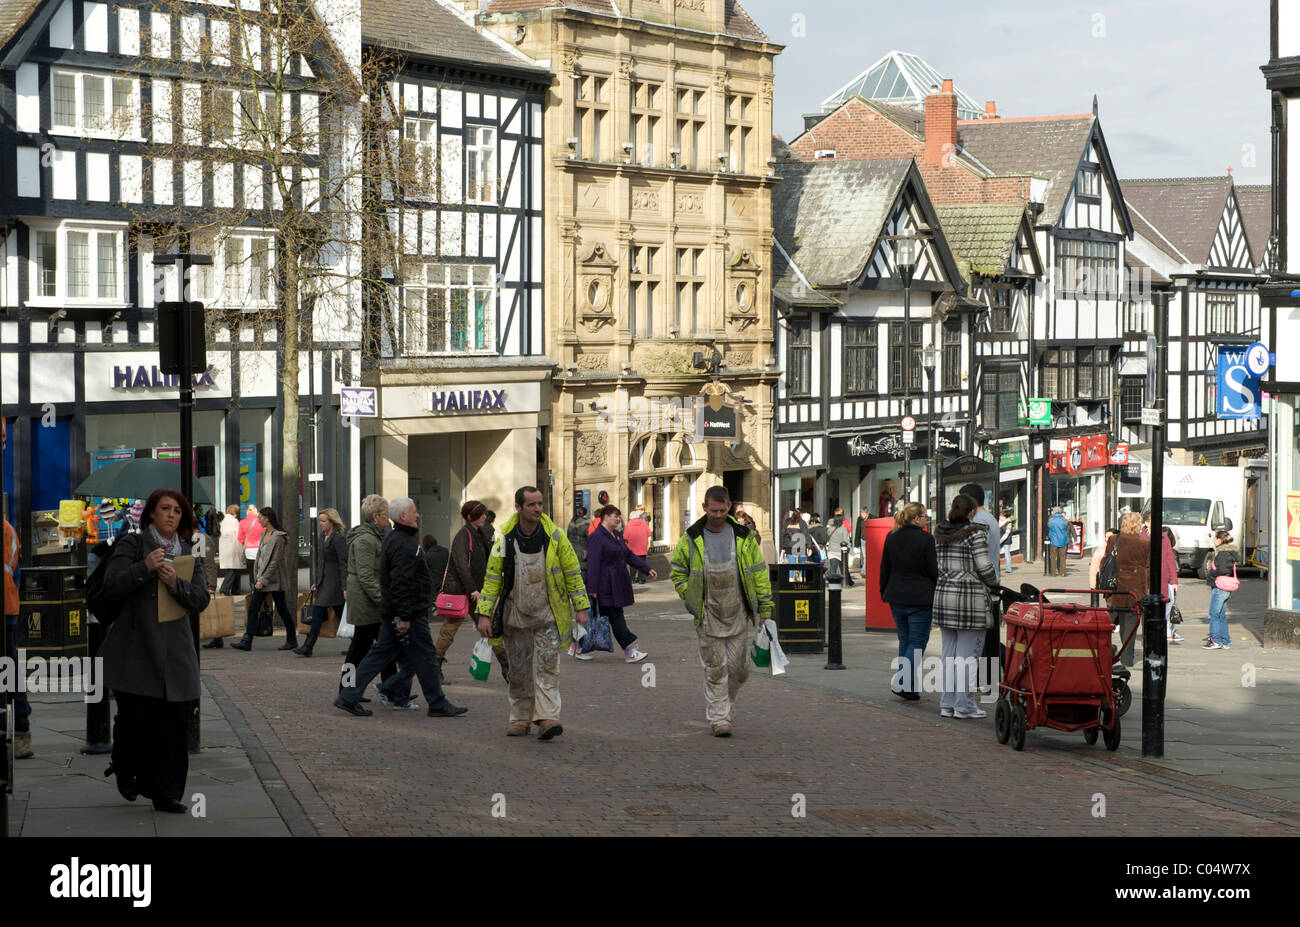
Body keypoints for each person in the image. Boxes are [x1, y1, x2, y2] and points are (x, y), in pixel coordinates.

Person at [99, 488, 210, 813]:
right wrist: (144, 567)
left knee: (173, 726)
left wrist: (177, 583)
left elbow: (201, 600)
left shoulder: (187, 553)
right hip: (136, 650)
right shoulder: (132, 545)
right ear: (151, 513)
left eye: (177, 510)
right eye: (165, 509)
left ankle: (167, 793)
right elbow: (112, 585)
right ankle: (125, 766)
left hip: (175, 653)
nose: (171, 515)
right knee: (137, 722)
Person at [335, 498, 467, 718]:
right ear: (377, 517)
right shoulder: (385, 541)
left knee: (379, 654)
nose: (418, 515)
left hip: (388, 608)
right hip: (380, 609)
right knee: (359, 654)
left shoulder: (391, 538)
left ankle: (360, 692)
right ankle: (355, 691)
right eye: (414, 511)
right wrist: (402, 614)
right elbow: (384, 578)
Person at [475, 486, 590, 739]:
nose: (538, 509)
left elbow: (573, 573)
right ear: (518, 507)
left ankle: (547, 717)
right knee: (518, 670)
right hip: (514, 616)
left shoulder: (556, 536)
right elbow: (492, 577)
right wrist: (484, 613)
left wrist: (581, 607)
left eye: (540, 504)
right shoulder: (502, 538)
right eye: (531, 505)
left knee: (548, 667)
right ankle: (519, 718)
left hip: (549, 615)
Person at [670, 485, 773, 737]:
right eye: (713, 510)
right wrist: (690, 596)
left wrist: (765, 608)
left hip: (738, 613)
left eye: (722, 509)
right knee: (716, 668)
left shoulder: (743, 536)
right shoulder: (691, 538)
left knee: (739, 669)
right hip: (708, 615)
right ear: (704, 508)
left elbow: (758, 572)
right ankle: (719, 718)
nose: (717, 514)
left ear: (729, 506)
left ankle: (726, 704)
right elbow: (677, 572)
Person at [932, 494, 999, 720]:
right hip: (969, 600)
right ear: (971, 513)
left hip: (944, 596)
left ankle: (947, 704)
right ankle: (965, 705)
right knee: (968, 655)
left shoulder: (940, 534)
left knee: (948, 654)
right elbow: (984, 566)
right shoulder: (975, 534)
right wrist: (994, 582)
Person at [435, 501, 508, 680]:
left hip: (476, 591)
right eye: (481, 514)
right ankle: (434, 668)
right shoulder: (463, 535)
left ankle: (507, 668)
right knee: (449, 630)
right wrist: (473, 589)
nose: (484, 517)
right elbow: (461, 565)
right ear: (470, 517)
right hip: (463, 592)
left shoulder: (479, 534)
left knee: (488, 627)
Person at [339, 495, 397, 701]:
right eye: (385, 515)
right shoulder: (366, 540)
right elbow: (365, 576)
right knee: (361, 650)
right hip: (366, 603)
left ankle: (386, 689)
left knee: (379, 647)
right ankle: (348, 690)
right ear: (375, 517)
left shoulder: (375, 536)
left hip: (369, 601)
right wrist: (383, 600)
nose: (388, 519)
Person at [880, 503, 937, 701]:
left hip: (896, 596)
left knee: (905, 641)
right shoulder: (926, 539)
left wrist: (883, 591)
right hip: (920, 599)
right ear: (916, 519)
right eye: (924, 516)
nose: (926, 520)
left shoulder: (892, 536)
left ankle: (909, 688)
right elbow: (933, 570)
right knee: (918, 642)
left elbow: (885, 567)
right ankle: (901, 679)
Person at [583, 504, 653, 663]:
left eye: (618, 516)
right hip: (602, 584)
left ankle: (577, 646)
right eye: (615, 516)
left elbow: (628, 554)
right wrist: (592, 588)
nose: (617, 519)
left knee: (594, 617)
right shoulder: (597, 537)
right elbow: (593, 563)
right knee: (615, 615)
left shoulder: (616, 535)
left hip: (616, 582)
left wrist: (646, 569)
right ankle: (629, 650)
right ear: (606, 517)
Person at [230, 508, 296, 651]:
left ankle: (292, 639)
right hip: (262, 579)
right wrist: (257, 577)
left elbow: (274, 562)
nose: (258, 520)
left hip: (273, 580)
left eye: (260, 517)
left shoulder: (278, 537)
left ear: (267, 518)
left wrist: (262, 580)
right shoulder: (264, 534)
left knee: (281, 609)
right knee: (253, 608)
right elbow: (261, 558)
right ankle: (247, 640)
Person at [298, 508, 348, 657]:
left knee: (320, 612)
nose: (321, 524)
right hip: (324, 583)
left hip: (335, 584)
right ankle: (308, 646)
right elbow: (321, 562)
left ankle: (308, 646)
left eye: (323, 521)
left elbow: (344, 564)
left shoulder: (339, 539)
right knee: (339, 614)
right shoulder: (322, 537)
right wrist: (316, 581)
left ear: (332, 522)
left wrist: (345, 587)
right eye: (320, 521)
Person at [1103, 512, 1150, 667]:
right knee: (1129, 628)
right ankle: (1127, 659)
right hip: (1135, 590)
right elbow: (1149, 568)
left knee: (1105, 625)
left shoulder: (1113, 539)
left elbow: (1105, 561)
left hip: (1115, 588)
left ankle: (1101, 653)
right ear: (1138, 525)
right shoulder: (1145, 544)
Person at [5, 517, 32, 759]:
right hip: (7, 611)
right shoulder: (8, 529)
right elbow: (16, 574)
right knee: (10, 672)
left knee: (10, 673)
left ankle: (21, 730)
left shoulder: (5, 530)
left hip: (4, 612)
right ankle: (21, 731)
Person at [1204, 530, 1239, 650]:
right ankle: (1225, 641)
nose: (1214, 540)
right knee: (1221, 615)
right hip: (1226, 587)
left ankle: (1216, 640)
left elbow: (1222, 569)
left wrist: (1210, 574)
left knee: (1214, 614)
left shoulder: (1222, 553)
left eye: (1215, 538)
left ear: (1220, 540)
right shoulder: (1230, 553)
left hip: (1220, 587)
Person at [218, 504, 245, 596]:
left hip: (225, 548)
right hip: (233, 547)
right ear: (236, 512)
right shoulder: (234, 521)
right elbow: (239, 534)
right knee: (233, 570)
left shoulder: (223, 520)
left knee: (233, 569)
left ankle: (236, 590)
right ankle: (224, 589)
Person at [1089, 527, 1119, 606]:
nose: (1107, 539)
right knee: (1110, 606)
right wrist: (1093, 584)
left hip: (1121, 583)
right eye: (1106, 537)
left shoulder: (1122, 547)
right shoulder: (1102, 548)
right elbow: (1094, 566)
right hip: (1108, 582)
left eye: (1109, 537)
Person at [1162, 526, 1182, 643]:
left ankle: (1169, 631)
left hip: (1168, 582)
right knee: (1169, 608)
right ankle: (1169, 631)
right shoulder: (1172, 550)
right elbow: (1175, 566)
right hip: (1168, 583)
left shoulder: (1168, 548)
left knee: (1168, 608)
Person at [237, 503, 263, 590]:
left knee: (251, 571)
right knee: (261, 570)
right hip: (260, 549)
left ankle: (253, 588)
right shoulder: (261, 521)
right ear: (256, 510)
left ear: (247, 511)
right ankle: (261, 588)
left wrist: (246, 542)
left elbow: (240, 538)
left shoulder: (242, 522)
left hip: (249, 550)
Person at [623, 510, 652, 584]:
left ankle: (632, 579)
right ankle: (641, 579)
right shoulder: (644, 523)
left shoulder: (629, 524)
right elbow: (649, 533)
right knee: (642, 563)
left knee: (633, 564)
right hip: (642, 547)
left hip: (632, 548)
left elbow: (625, 537)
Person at [826, 515, 855, 587]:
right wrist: (851, 551)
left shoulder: (830, 529)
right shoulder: (843, 529)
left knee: (833, 568)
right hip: (841, 552)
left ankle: (832, 584)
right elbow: (846, 541)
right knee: (844, 568)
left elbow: (827, 537)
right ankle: (847, 582)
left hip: (831, 551)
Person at [567, 507, 592, 573]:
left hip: (572, 553)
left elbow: (568, 537)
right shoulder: (586, 523)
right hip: (583, 555)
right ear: (585, 514)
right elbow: (590, 539)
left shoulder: (571, 522)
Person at [1047, 507, 1069, 577]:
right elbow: (1066, 526)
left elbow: (1049, 526)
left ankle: (1053, 573)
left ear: (1054, 512)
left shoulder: (1051, 519)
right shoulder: (1064, 519)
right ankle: (1063, 573)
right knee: (1062, 557)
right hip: (1063, 540)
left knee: (1053, 557)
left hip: (1054, 540)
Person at [854, 506, 870, 579]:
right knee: (865, 556)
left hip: (871, 540)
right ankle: (865, 571)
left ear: (867, 513)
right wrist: (856, 544)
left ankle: (864, 571)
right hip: (863, 540)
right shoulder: (859, 519)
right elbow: (857, 531)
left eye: (863, 513)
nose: (862, 515)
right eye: (861, 513)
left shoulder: (872, 518)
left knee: (867, 556)